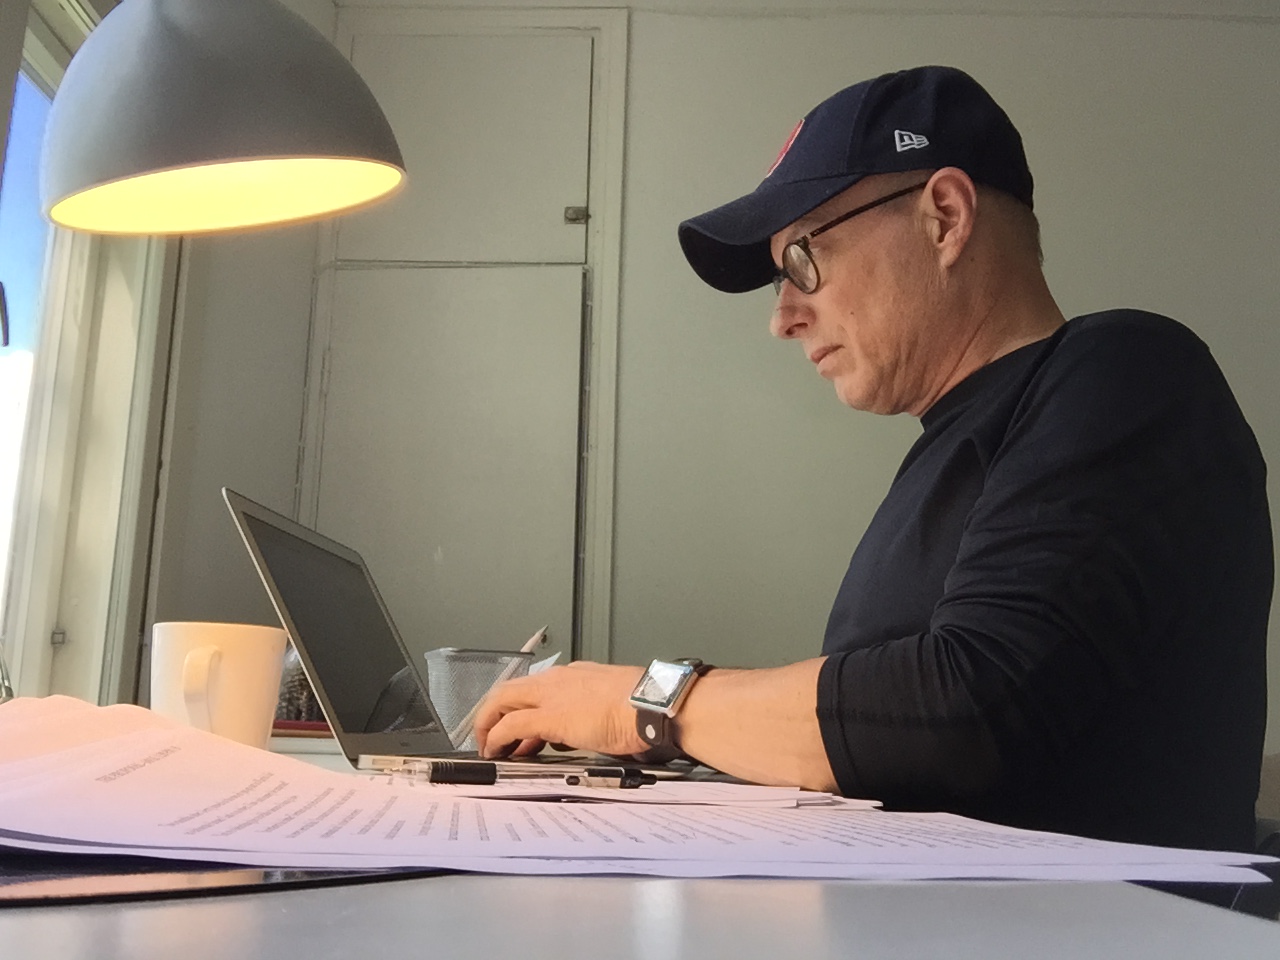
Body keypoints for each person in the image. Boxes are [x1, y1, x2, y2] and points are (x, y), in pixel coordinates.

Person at [473, 65, 1272, 852]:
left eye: (802, 259)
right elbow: (879, 733)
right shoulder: (951, 452)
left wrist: (649, 705)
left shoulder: (1126, 372)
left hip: (1089, 919)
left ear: (945, 217)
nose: (783, 317)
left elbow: (966, 712)